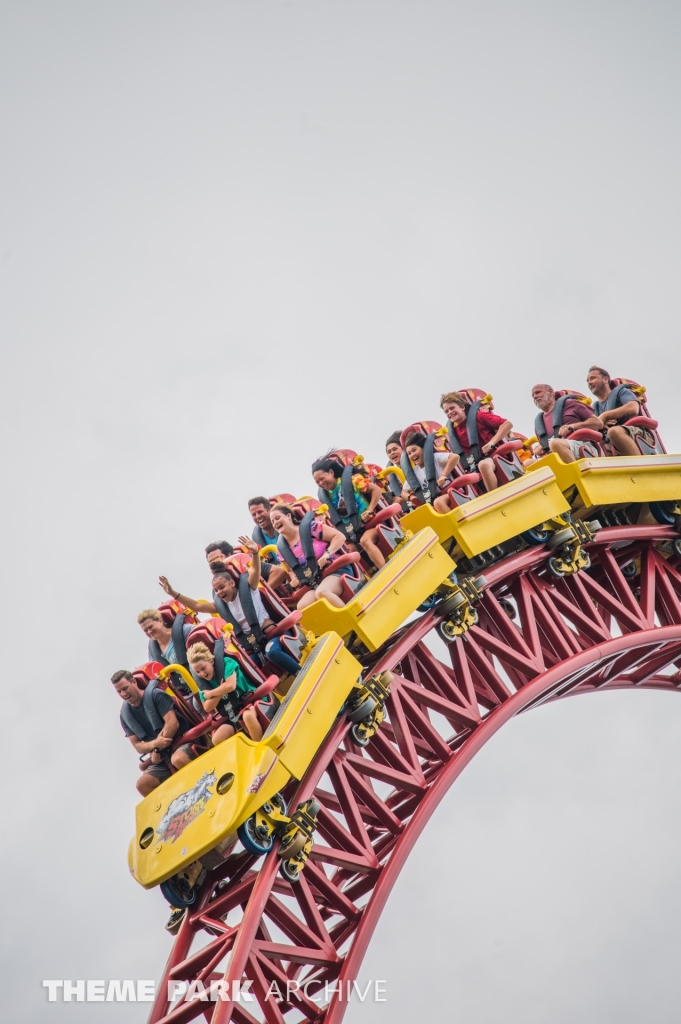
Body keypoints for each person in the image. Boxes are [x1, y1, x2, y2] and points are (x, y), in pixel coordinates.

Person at [159, 537, 301, 676]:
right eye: (216, 590)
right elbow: (197, 605)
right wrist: (173, 593)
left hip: (272, 635)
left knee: (273, 652)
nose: (219, 592)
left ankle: (300, 673)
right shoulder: (222, 605)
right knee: (241, 668)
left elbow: (256, 571)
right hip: (255, 646)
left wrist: (255, 553)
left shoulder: (249, 588)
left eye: (222, 587)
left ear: (231, 583)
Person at [111, 670, 194, 797]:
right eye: (119, 692)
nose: (123, 694)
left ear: (134, 682)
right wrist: (155, 746)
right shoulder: (125, 716)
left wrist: (155, 749)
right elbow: (138, 746)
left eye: (125, 688)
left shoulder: (156, 695)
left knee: (178, 759)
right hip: (162, 756)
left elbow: (172, 723)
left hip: (181, 741)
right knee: (142, 785)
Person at [270, 503, 352, 610]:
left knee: (322, 592)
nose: (275, 522)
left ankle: (353, 619)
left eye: (277, 518)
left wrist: (327, 553)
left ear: (289, 516)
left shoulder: (311, 527)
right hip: (315, 581)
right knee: (302, 607)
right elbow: (290, 570)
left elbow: (339, 537)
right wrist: (294, 578)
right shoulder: (281, 549)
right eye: (273, 522)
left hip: (335, 570)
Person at [311, 458, 387, 569]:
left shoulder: (353, 480)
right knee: (346, 554)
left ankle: (385, 571)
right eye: (317, 482)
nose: (321, 483)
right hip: (352, 534)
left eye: (322, 478)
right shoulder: (325, 498)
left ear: (331, 472)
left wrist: (370, 510)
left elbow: (377, 490)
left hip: (372, 524)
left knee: (365, 541)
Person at [187, 641, 264, 743]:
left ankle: (261, 748)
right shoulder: (202, 684)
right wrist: (220, 691)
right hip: (232, 713)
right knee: (217, 739)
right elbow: (207, 706)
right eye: (197, 672)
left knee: (248, 716)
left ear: (211, 661)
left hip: (249, 700)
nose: (202, 673)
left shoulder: (227, 663)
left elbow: (230, 686)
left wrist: (210, 694)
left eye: (203, 668)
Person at [440, 392, 513, 492]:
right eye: (446, 411)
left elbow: (507, 424)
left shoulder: (479, 417)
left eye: (452, 408)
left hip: (495, 458)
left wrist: (491, 442)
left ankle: (494, 499)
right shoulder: (451, 435)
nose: (449, 412)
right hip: (473, 468)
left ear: (462, 407)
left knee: (483, 465)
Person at [586, 366, 653, 456]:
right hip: (609, 441)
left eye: (593, 378)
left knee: (614, 432)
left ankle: (639, 466)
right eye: (587, 381)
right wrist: (601, 425)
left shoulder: (621, 392)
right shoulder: (596, 407)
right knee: (591, 449)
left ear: (605, 379)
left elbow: (633, 408)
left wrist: (605, 416)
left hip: (636, 433)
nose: (589, 382)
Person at [530, 383, 603, 463]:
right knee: (528, 463)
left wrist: (573, 426)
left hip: (584, 448)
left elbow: (598, 423)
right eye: (533, 395)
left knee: (555, 443)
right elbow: (546, 445)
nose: (535, 396)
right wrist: (540, 448)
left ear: (550, 392)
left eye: (538, 392)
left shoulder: (570, 404)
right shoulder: (539, 424)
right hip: (555, 454)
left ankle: (574, 473)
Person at [401, 432, 459, 513]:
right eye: (409, 453)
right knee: (419, 512)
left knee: (438, 502)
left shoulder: (435, 458)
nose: (412, 455)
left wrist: (443, 475)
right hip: (432, 500)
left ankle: (455, 523)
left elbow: (455, 457)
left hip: (451, 493)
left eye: (414, 450)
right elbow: (403, 492)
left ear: (424, 449)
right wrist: (411, 498)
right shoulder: (414, 472)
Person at [247, 497, 288, 588]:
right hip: (280, 576)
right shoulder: (256, 537)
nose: (257, 516)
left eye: (260, 512)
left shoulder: (284, 526)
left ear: (269, 510)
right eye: (253, 514)